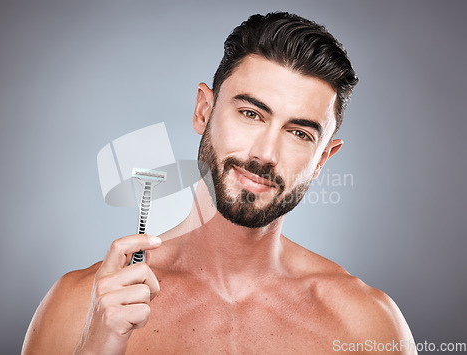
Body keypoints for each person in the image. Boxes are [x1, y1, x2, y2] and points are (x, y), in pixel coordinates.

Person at [22, 12, 416, 354]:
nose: (265, 153)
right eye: (250, 113)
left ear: (322, 161)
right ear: (203, 110)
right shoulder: (81, 307)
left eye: (299, 134)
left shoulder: (368, 327)